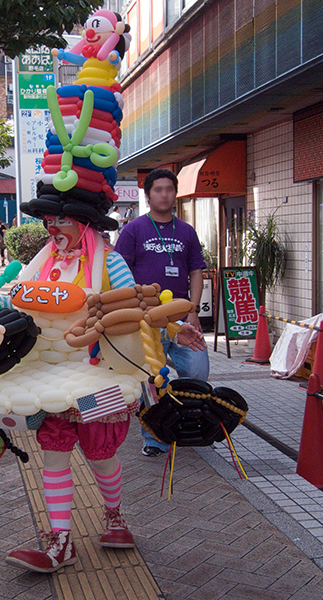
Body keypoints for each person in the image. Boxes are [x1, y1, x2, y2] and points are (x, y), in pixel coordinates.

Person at [115, 168, 209, 457]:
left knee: (197, 372)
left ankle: (189, 427)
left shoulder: (187, 231)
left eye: (169, 189)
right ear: (148, 194)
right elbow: (120, 273)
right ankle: (154, 437)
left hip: (181, 316)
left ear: (175, 193)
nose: (164, 194)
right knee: (153, 381)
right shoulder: (134, 230)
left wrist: (193, 309)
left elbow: (196, 271)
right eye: (158, 189)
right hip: (147, 318)